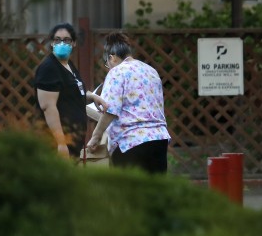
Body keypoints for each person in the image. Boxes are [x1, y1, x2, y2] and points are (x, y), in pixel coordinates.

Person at [86, 32, 172, 173]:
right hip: (159, 140)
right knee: (155, 193)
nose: (109, 68)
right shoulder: (151, 71)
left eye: (107, 64)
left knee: (132, 193)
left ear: (111, 58)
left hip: (131, 142)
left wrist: (95, 137)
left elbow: (110, 110)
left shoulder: (117, 72)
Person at [34, 23, 106, 158]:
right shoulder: (49, 68)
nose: (62, 43)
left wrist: (92, 97)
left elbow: (72, 94)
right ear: (51, 43)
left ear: (73, 43)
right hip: (55, 143)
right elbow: (48, 107)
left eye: (66, 40)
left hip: (73, 141)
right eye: (57, 40)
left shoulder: (68, 65)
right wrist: (61, 143)